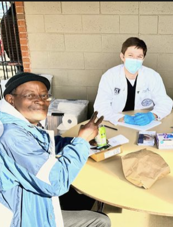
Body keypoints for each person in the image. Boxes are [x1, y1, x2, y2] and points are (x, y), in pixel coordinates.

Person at [0, 72, 110, 227]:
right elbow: (55, 183)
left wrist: (74, 141)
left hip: (34, 200)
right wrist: (82, 141)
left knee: (83, 194)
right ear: (11, 99)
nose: (40, 101)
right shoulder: (11, 136)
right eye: (30, 95)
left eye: (44, 96)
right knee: (101, 220)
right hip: (27, 218)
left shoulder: (16, 122)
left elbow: (41, 144)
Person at [94, 37, 173, 126]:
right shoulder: (109, 76)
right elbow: (100, 106)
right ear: (122, 56)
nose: (135, 60)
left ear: (143, 59)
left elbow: (165, 102)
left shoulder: (153, 76)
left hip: (145, 125)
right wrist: (120, 118)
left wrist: (152, 115)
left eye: (139, 57)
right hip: (117, 123)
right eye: (130, 55)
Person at [0, 2, 23, 72]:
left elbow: (4, 37)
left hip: (12, 53)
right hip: (22, 52)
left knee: (21, 71)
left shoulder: (4, 19)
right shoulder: (19, 19)